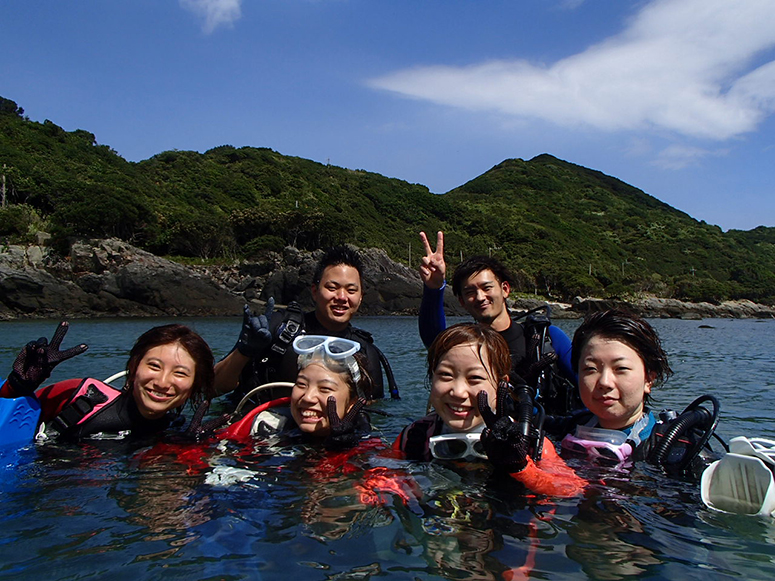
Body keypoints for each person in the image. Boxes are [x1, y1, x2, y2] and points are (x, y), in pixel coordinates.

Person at [394, 323, 587, 497]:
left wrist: (520, 467)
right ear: (432, 378)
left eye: (475, 378)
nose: (459, 392)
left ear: (501, 384)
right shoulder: (414, 437)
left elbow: (570, 490)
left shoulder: (529, 442)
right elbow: (378, 482)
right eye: (445, 375)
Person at [418, 231, 579, 415]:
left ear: (505, 289)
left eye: (486, 288)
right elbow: (435, 340)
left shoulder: (548, 338)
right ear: (461, 301)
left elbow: (587, 384)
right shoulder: (463, 344)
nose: (480, 297)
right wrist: (434, 288)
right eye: (470, 292)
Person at [548, 309, 723, 479]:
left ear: (649, 380)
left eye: (621, 369)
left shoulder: (680, 450)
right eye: (590, 369)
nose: (604, 382)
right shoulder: (567, 427)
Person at [214, 245, 398, 402]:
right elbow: (214, 387)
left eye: (351, 290)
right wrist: (243, 352)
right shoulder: (279, 327)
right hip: (258, 435)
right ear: (314, 291)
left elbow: (372, 411)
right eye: (332, 288)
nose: (342, 297)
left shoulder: (364, 350)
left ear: (360, 298)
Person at [2, 322, 216, 441]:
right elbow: (8, 416)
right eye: (154, 366)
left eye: (179, 373)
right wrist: (17, 387)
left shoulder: (178, 432)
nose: (162, 381)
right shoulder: (82, 396)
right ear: (134, 367)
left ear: (194, 385)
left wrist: (191, 449)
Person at [219, 334, 374, 451]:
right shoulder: (265, 426)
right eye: (301, 384)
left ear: (352, 402)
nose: (307, 397)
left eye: (325, 388)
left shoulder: (368, 446)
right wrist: (196, 444)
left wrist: (340, 455)